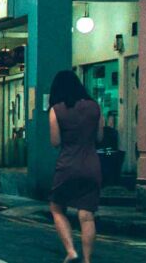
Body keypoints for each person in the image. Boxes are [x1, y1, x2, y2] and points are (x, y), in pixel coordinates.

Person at [48, 70, 103, 263]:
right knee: (87, 215)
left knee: (56, 208)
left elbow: (55, 142)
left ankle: (71, 251)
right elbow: (100, 137)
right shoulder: (95, 107)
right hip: (91, 164)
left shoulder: (56, 110)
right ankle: (87, 260)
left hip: (68, 165)